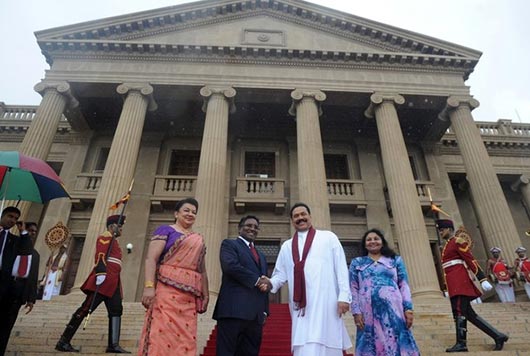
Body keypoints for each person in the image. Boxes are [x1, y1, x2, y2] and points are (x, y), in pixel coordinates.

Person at [259, 203, 352, 356]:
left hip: (326, 304)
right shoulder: (287, 246)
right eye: (296, 216)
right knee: (304, 345)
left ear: (310, 216)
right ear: (291, 221)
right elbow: (280, 274)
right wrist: (270, 282)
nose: (300, 218)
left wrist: (344, 297)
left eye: (303, 214)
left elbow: (341, 268)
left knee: (328, 343)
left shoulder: (328, 237)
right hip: (301, 308)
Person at [138, 198, 209, 356]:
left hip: (189, 298)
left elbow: (202, 270)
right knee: (161, 334)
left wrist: (206, 294)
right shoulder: (165, 230)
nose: (190, 214)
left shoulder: (197, 239)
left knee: (186, 339)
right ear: (176, 213)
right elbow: (151, 259)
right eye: (186, 210)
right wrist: (149, 287)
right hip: (166, 294)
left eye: (194, 212)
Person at [55, 214, 130, 353]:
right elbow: (100, 255)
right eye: (119, 226)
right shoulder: (105, 237)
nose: (121, 229)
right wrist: (101, 274)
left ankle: (113, 344)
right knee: (86, 309)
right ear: (112, 226)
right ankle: (63, 341)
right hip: (104, 280)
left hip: (114, 282)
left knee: (116, 310)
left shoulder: (114, 241)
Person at [437, 219, 508, 352]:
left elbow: (470, 260)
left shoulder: (458, 241)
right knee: (469, 314)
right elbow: (447, 269)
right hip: (454, 284)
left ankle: (461, 343)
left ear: (448, 229)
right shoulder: (447, 245)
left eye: (442, 229)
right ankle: (498, 336)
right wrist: (447, 288)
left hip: (460, 283)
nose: (440, 232)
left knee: (459, 311)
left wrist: (482, 279)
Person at [349, 228, 419, 356]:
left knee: (395, 340)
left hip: (393, 309)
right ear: (364, 244)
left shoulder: (395, 260)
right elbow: (353, 288)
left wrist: (408, 309)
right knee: (369, 343)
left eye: (376, 238)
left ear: (382, 242)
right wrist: (356, 311)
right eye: (369, 239)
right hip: (367, 311)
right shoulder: (357, 263)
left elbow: (403, 284)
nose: (372, 241)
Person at [213, 215, 269, 356]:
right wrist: (257, 281)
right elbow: (230, 266)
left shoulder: (261, 255)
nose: (252, 229)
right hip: (233, 311)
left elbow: (264, 281)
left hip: (255, 317)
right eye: (249, 225)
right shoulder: (229, 244)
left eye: (256, 227)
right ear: (239, 229)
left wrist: (264, 310)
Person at [0, 217, 38, 356]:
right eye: (30, 230)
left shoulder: (35, 254)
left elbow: (33, 277)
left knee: (6, 327)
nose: (32, 233)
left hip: (18, 293)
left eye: (34, 231)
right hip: (5, 287)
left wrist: (31, 298)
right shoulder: (11, 246)